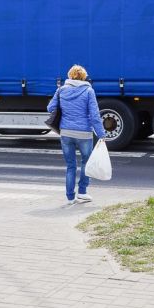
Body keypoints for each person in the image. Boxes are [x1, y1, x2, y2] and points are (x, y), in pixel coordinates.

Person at [47, 64, 106, 204]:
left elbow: (50, 108)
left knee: (70, 165)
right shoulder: (88, 91)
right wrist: (101, 134)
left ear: (70, 75)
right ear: (83, 76)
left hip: (66, 133)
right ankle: (82, 192)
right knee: (86, 162)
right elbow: (94, 115)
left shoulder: (61, 90)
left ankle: (70, 197)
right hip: (84, 133)